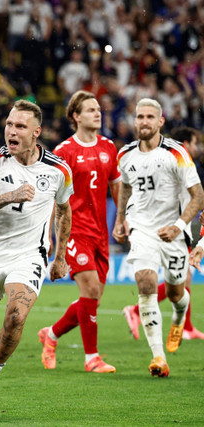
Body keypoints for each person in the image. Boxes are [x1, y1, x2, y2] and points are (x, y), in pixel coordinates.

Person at [0, 100, 73, 418]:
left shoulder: (57, 169)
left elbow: (64, 210)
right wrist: (10, 195)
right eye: (9, 124)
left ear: (36, 132)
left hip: (29, 256)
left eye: (20, 126)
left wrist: (60, 256)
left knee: (15, 318)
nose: (11, 130)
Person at [113, 98, 204, 378]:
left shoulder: (176, 153)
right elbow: (125, 188)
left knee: (177, 294)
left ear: (160, 121)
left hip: (173, 233)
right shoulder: (125, 155)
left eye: (150, 117)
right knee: (146, 282)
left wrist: (178, 227)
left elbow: (198, 195)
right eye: (139, 116)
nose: (144, 122)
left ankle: (179, 318)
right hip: (142, 230)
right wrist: (120, 220)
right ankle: (158, 356)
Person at [38, 91, 121, 373]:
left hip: (101, 233)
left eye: (98, 109)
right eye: (90, 110)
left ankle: (51, 334)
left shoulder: (109, 147)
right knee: (89, 289)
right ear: (75, 116)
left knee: (93, 299)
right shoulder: (64, 152)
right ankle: (91, 358)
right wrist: (48, 234)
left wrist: (122, 218)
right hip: (73, 230)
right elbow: (51, 197)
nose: (97, 113)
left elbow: (116, 184)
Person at [122, 126, 204, 341]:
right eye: (195, 143)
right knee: (181, 279)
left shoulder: (188, 164)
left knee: (183, 279)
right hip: (166, 229)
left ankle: (185, 325)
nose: (198, 148)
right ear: (185, 144)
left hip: (180, 229)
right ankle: (141, 312)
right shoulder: (170, 162)